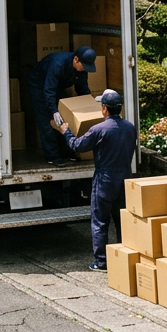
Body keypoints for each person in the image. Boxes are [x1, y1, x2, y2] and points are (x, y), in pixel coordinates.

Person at [55, 89, 136, 271]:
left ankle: (101, 262)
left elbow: (77, 145)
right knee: (121, 220)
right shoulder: (130, 127)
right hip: (124, 179)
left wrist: (65, 131)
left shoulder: (98, 130)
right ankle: (123, 257)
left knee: (100, 221)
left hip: (104, 179)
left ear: (104, 109)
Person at [28, 46, 98, 167]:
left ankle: (67, 151)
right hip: (39, 86)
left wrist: (91, 106)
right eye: (84, 66)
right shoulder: (58, 64)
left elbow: (82, 89)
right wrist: (54, 111)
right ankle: (53, 156)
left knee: (66, 119)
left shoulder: (81, 69)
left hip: (57, 87)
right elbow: (48, 90)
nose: (84, 69)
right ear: (76, 59)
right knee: (48, 121)